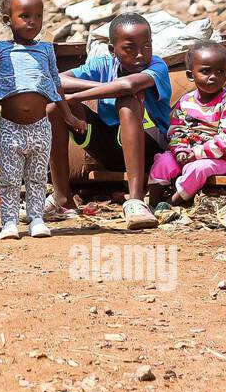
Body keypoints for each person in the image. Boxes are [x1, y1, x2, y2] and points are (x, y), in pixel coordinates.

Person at [0, 0, 80, 240]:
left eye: (38, 16)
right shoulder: (0, 50)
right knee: (10, 178)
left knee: (36, 177)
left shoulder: (46, 50)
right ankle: (9, 221)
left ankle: (36, 219)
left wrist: (68, 116)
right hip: (9, 128)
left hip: (41, 127)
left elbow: (55, 85)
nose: (33, 22)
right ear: (7, 20)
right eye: (25, 16)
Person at [47, 12, 172, 230]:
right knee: (54, 108)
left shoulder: (157, 66)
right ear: (112, 50)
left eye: (146, 46)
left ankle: (135, 200)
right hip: (111, 148)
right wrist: (98, 88)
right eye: (130, 48)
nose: (140, 55)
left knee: (128, 100)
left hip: (150, 151)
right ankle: (62, 198)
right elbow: (55, 79)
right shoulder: (102, 65)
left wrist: (77, 96)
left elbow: (127, 86)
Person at [148, 40, 226, 207]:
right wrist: (180, 150)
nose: (213, 76)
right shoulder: (186, 101)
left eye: (220, 71)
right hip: (189, 153)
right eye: (205, 71)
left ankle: (172, 202)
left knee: (199, 168)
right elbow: (177, 130)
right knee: (163, 161)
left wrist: (196, 154)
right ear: (190, 75)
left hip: (224, 160)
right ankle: (151, 202)